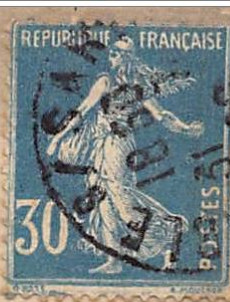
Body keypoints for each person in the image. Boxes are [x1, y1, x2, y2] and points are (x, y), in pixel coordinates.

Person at [44, 36, 204, 273]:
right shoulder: (105, 81)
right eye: (112, 53)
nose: (112, 57)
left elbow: (162, 115)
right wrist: (58, 137)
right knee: (102, 198)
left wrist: (185, 128)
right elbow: (82, 110)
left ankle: (172, 227)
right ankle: (114, 259)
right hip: (101, 145)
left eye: (117, 53)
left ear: (128, 57)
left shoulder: (139, 87)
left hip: (119, 145)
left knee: (122, 200)